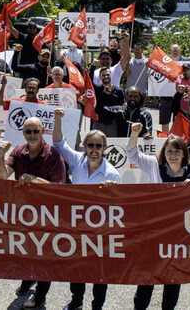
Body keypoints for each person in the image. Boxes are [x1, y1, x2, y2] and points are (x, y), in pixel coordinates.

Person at [127, 122, 190, 310]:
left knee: (172, 278)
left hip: (178, 236)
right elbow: (132, 154)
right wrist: (134, 134)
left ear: (184, 154)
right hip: (154, 233)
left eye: (177, 152)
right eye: (169, 151)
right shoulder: (154, 166)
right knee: (147, 275)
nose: (173, 155)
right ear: (164, 153)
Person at [52, 108, 121, 310]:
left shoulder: (112, 174)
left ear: (104, 148)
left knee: (100, 271)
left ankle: (97, 305)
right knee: (77, 267)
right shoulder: (77, 160)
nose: (94, 149)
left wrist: (113, 192)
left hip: (100, 230)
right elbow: (58, 143)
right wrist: (58, 119)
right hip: (78, 226)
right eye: (90, 145)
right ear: (84, 146)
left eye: (98, 146)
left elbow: (118, 207)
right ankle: (76, 301)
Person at [0, 117, 66, 310]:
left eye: (36, 131)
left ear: (43, 131)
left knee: (45, 256)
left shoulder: (54, 155)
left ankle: (40, 297)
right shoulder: (18, 151)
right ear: (23, 133)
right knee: (25, 250)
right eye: (28, 132)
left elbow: (60, 188)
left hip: (47, 215)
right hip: (23, 212)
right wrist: (1, 154)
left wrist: (36, 180)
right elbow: (2, 175)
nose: (32, 135)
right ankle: (28, 279)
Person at [159, 44, 187, 133]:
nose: (175, 52)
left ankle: (177, 141)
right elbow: (156, 74)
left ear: (180, 51)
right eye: (173, 50)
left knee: (179, 121)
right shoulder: (164, 63)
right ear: (170, 51)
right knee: (165, 121)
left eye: (177, 50)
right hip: (166, 96)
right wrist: (150, 75)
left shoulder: (186, 63)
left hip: (179, 97)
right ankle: (166, 140)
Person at [93, 67, 125, 137]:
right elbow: (97, 109)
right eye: (103, 75)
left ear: (111, 75)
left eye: (107, 75)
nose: (106, 77)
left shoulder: (119, 91)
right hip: (100, 123)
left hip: (113, 124)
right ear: (100, 77)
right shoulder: (97, 90)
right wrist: (104, 94)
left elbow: (122, 109)